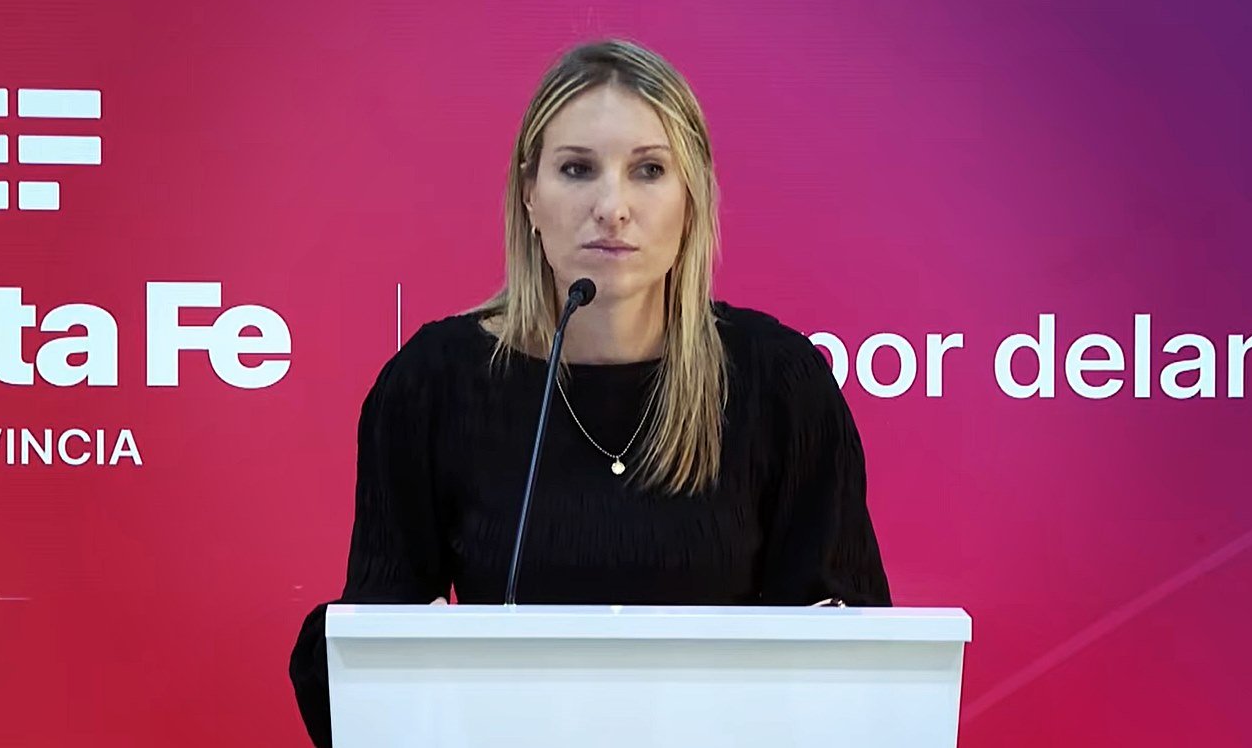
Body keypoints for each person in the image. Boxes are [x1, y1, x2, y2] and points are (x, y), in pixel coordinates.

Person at [288, 38, 891, 747]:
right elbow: (380, 655)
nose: (613, 207)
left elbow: (848, 660)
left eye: (649, 171)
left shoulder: (778, 383)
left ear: (691, 196)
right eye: (577, 169)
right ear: (529, 194)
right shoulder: (433, 385)